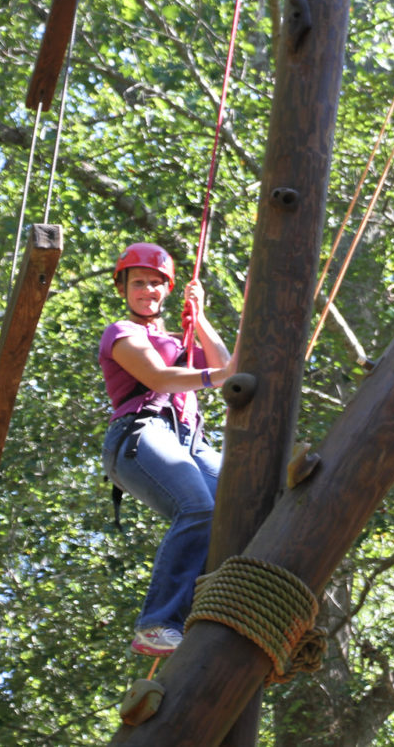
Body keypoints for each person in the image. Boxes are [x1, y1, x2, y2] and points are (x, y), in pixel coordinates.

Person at [99, 242, 237, 657]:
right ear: (123, 288)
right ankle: (157, 624)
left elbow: (228, 365)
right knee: (198, 507)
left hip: (190, 440)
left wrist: (203, 320)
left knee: (248, 499)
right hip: (141, 433)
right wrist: (217, 376)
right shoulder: (122, 333)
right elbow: (159, 378)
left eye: (157, 284)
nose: (147, 291)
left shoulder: (180, 340)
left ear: (168, 290)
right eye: (138, 283)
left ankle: (213, 606)